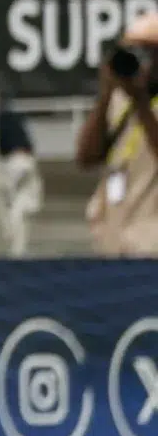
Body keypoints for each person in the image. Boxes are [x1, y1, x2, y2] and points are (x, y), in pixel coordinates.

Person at [77, 13, 158, 257]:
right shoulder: (120, 101)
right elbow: (86, 157)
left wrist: (141, 102)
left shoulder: (139, 102)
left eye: (149, 51)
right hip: (113, 239)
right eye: (134, 51)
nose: (142, 60)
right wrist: (106, 94)